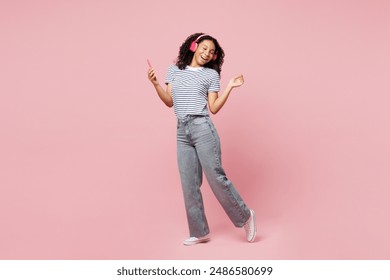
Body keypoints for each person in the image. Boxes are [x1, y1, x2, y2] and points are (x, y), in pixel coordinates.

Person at [147, 32, 257, 245]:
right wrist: (155, 84)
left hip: (202, 128)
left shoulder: (210, 76)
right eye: (204, 48)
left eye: (212, 52)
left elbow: (214, 108)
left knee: (216, 177)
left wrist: (230, 87)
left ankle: (245, 216)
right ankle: (199, 231)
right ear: (193, 46)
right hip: (182, 130)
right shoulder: (174, 70)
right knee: (189, 183)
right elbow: (169, 101)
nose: (207, 53)